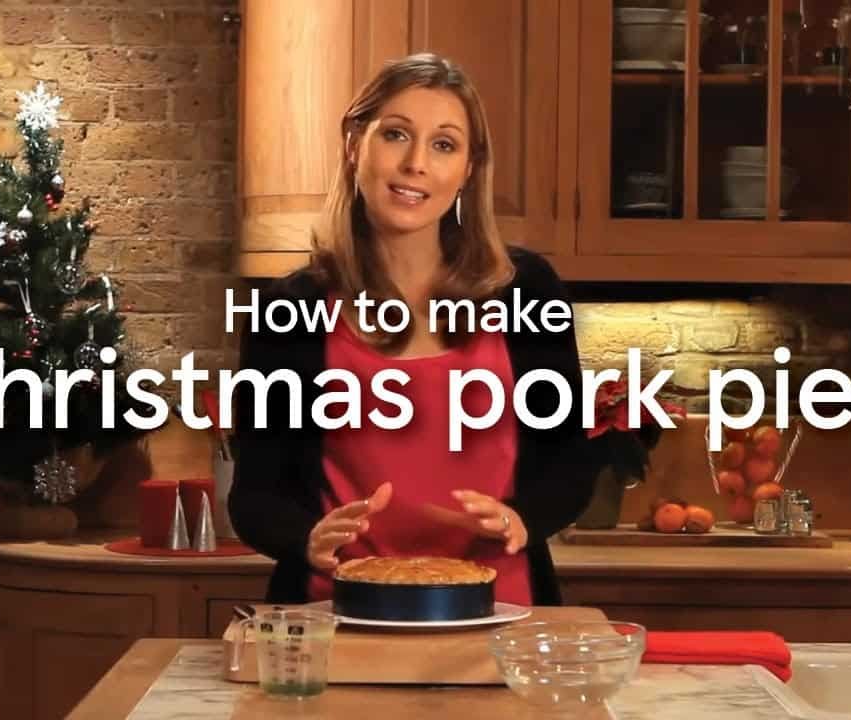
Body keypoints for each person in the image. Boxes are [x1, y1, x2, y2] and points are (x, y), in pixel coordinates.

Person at [228, 52, 599, 607]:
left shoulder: (527, 289)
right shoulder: (287, 309)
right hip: (334, 617)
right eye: (396, 135)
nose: (416, 164)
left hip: (503, 617)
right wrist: (304, 538)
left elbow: (569, 459)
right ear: (356, 145)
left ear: (468, 170)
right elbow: (255, 493)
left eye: (444, 144)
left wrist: (523, 518)